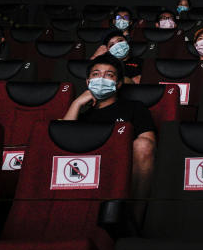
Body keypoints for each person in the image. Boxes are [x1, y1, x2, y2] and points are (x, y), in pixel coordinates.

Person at [62, 55, 156, 198]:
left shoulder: (135, 108)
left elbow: (147, 146)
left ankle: (134, 217)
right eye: (96, 74)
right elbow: (61, 142)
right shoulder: (82, 116)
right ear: (88, 82)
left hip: (122, 168)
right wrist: (76, 104)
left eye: (109, 75)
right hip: (89, 170)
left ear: (118, 83)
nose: (101, 79)